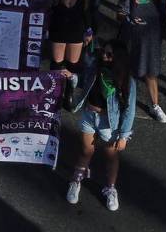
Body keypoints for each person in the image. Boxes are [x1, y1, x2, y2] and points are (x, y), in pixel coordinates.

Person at [63, 40, 135, 212]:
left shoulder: (126, 80)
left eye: (109, 54)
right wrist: (72, 77)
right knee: (85, 151)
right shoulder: (95, 68)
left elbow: (129, 109)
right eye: (103, 52)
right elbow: (83, 81)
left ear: (118, 58)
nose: (104, 56)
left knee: (111, 156)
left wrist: (124, 135)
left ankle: (110, 189)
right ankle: (76, 181)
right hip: (89, 116)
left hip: (109, 124)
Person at [117, 0, 166, 124]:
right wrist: (129, 18)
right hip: (132, 40)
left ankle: (155, 106)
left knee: (151, 73)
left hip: (151, 42)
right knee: (128, 72)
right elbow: (119, 15)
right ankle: (123, 101)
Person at [49, 0, 92, 107]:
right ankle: (54, 93)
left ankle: (69, 94)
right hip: (58, 32)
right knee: (56, 64)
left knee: (72, 65)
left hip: (76, 33)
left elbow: (88, 13)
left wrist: (89, 31)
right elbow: (49, 10)